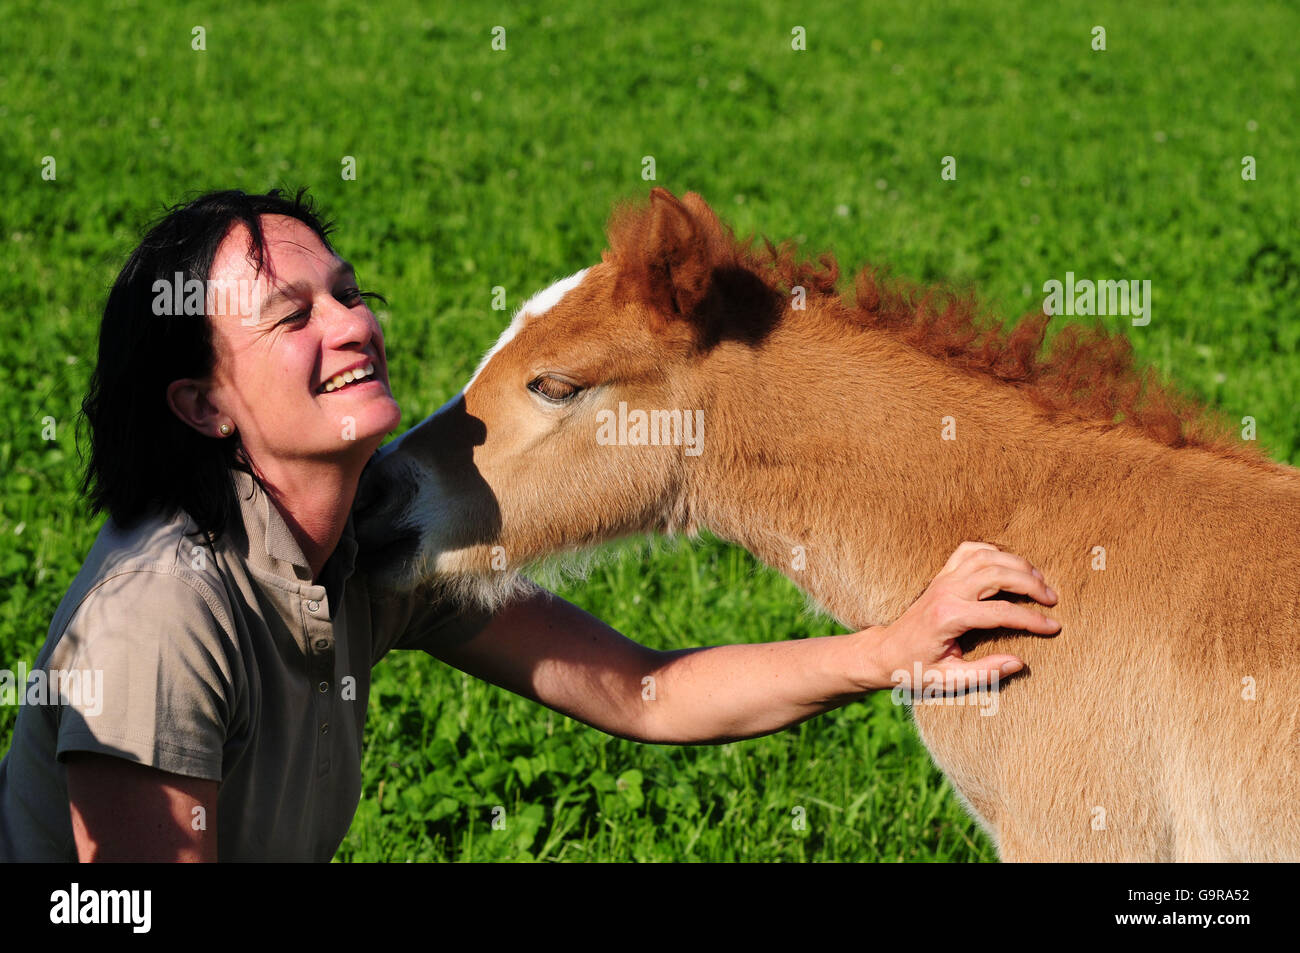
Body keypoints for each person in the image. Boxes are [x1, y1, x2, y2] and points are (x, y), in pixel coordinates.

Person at [0, 188, 1061, 862]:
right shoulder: (165, 614)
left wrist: (888, 646)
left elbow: (645, 694)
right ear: (204, 405)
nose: (354, 324)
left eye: (347, 291)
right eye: (293, 316)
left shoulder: (363, 550)